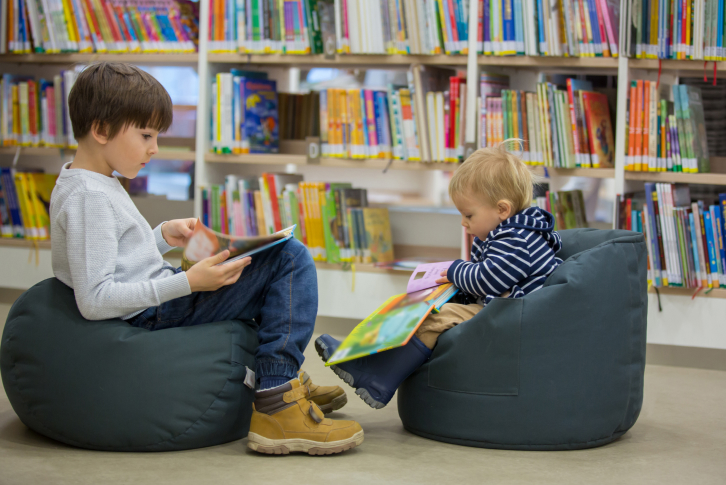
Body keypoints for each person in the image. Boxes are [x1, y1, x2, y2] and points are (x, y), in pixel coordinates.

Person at [49, 62, 362, 455]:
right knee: (290, 260)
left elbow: (114, 258)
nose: (155, 148)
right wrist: (189, 283)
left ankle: (281, 378)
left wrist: (160, 236)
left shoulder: (90, 181)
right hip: (151, 312)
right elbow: (94, 299)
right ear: (100, 129)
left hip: (154, 300)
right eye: (146, 134)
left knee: (264, 266)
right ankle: (277, 399)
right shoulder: (89, 197)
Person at [316, 140, 563, 409]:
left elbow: (488, 279)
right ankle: (360, 353)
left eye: (468, 214)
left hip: (513, 317)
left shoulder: (518, 239)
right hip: (499, 307)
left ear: (502, 210)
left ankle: (378, 379)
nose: (463, 222)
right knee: (417, 308)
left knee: (433, 320)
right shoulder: (502, 231)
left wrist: (455, 270)